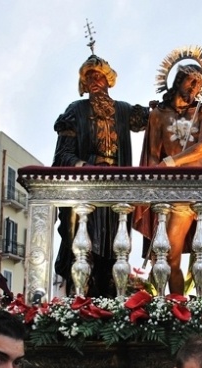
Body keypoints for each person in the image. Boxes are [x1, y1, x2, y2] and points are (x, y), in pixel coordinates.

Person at [52, 49, 150, 298]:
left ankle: (111, 302)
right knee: (83, 250)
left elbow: (151, 120)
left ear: (108, 80)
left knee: (115, 249)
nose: (94, 82)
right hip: (87, 189)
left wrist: (172, 105)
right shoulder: (76, 110)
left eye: (99, 77)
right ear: (84, 84)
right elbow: (63, 154)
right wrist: (86, 167)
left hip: (117, 189)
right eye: (89, 79)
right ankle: (81, 300)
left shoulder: (123, 110)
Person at [133, 49, 202, 298]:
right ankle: (176, 309)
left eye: (199, 84)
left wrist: (172, 161)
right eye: (190, 80)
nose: (194, 88)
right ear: (177, 80)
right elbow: (153, 153)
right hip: (174, 191)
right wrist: (156, 174)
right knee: (168, 253)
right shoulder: (157, 115)